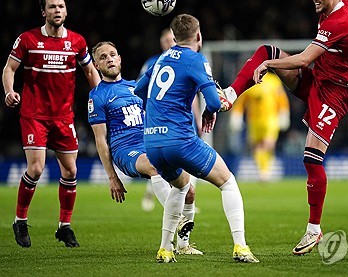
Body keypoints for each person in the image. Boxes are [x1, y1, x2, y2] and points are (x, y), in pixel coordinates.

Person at [217, 0, 348, 255]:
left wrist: (270, 66)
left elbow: (304, 58)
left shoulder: (339, 21)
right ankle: (231, 94)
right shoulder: (343, 0)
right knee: (265, 48)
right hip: (319, 79)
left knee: (311, 158)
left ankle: (314, 229)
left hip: (335, 92)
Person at [135, 14, 259, 263]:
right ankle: (241, 247)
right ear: (198, 36)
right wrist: (209, 110)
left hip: (152, 142)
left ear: (174, 36)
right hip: (180, 140)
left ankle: (166, 249)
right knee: (227, 182)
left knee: (180, 187)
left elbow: (139, 89)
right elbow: (213, 101)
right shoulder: (196, 59)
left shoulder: (160, 59)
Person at [2, 0, 101, 248]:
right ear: (43, 12)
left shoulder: (77, 42)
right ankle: (20, 220)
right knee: (36, 168)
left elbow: (90, 70)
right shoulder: (28, 39)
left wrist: (101, 96)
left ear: (66, 11)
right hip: (34, 114)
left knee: (70, 170)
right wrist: (9, 91)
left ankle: (64, 227)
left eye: (60, 6)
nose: (57, 10)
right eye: (52, 7)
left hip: (63, 116)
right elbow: (9, 69)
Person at [88, 41, 202, 254]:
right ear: (95, 65)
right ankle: (176, 219)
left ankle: (184, 246)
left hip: (151, 142)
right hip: (126, 150)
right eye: (103, 57)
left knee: (189, 192)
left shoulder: (136, 86)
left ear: (120, 58)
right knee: (154, 166)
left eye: (112, 54)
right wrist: (112, 177)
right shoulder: (97, 96)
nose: (109, 59)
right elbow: (100, 140)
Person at [139, 28, 201, 216]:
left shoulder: (185, 60)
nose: (169, 43)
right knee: (162, 164)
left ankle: (187, 202)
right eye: (166, 40)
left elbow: (194, 95)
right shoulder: (153, 62)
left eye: (172, 40)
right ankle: (152, 195)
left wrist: (197, 118)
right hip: (160, 122)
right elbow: (142, 90)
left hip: (183, 121)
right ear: (161, 43)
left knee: (189, 164)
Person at [229, 72, 290, 181]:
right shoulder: (250, 81)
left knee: (268, 144)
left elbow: (282, 99)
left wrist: (284, 114)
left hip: (271, 119)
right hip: (254, 120)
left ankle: (265, 169)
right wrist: (236, 116)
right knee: (257, 146)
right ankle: (263, 170)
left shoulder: (273, 81)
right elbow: (241, 101)